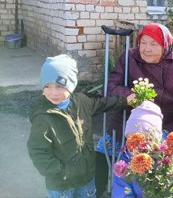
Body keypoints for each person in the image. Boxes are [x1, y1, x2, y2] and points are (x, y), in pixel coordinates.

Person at [95, 23, 173, 197]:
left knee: (156, 167)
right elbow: (109, 88)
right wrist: (129, 96)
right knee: (102, 152)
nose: (146, 49)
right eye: (143, 42)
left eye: (153, 44)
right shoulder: (130, 57)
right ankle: (100, 191)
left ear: (166, 45)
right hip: (129, 121)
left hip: (167, 126)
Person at [27, 54, 133, 198]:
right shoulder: (43, 117)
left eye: (59, 86)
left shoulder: (82, 102)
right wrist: (60, 172)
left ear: (71, 86)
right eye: (47, 86)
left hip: (87, 177)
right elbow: (38, 151)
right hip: (61, 184)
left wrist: (125, 100)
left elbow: (102, 104)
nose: (53, 92)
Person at [112, 100, 173, 198]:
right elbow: (121, 193)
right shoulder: (126, 163)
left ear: (155, 139)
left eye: (140, 141)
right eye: (131, 141)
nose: (135, 148)